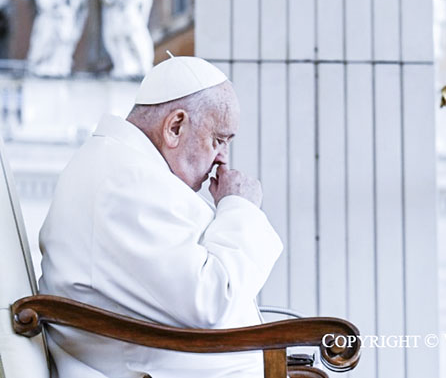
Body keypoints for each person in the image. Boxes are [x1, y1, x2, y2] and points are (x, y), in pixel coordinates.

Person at [38, 56, 283, 377]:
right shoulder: (127, 180)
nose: (222, 158)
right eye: (218, 140)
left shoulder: (124, 166)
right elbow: (211, 300)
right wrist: (240, 207)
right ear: (175, 126)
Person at [27, 0, 89, 77]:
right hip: (48, 20)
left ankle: (60, 68)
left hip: (64, 20)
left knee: (63, 44)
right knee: (43, 44)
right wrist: (56, 4)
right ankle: (42, 66)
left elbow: (79, 5)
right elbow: (42, 3)